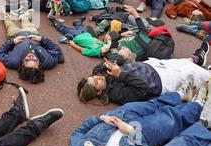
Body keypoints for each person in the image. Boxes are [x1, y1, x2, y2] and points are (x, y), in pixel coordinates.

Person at [70, 84, 210, 146]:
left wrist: (101, 117)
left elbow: (78, 131)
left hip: (118, 116)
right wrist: (131, 131)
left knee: (152, 104)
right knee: (169, 119)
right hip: (139, 134)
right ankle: (198, 104)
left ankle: (179, 94)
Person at [76, 40, 210, 106]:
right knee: (198, 75)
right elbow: (144, 87)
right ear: (99, 92)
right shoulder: (116, 95)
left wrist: (116, 58)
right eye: (96, 81)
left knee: (182, 62)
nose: (98, 77)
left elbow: (118, 57)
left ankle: (197, 59)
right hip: (163, 80)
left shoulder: (99, 73)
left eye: (93, 77)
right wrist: (120, 74)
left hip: (151, 65)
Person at [0, 10, 63, 84]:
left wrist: (12, 42)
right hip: (33, 33)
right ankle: (24, 18)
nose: (31, 57)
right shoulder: (47, 61)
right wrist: (43, 39)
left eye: (27, 60)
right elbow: (57, 51)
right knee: (27, 23)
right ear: (39, 65)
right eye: (34, 60)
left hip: (15, 34)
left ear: (22, 65)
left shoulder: (13, 61)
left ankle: (5, 16)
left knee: (10, 25)